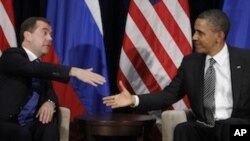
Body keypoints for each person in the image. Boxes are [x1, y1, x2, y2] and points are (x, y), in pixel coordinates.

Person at [103, 9, 250, 141]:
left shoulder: (245, 60)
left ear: (219, 36)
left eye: (200, 33)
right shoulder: (190, 63)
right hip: (207, 127)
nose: (194, 37)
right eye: (195, 31)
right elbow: (169, 95)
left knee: (228, 128)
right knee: (183, 129)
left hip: (240, 128)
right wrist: (134, 100)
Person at [0, 17, 106, 141]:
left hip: (30, 123)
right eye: (44, 33)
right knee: (21, 133)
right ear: (28, 35)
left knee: (48, 127)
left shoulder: (41, 66)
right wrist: (73, 71)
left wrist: (50, 102)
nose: (50, 38)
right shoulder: (11, 56)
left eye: (51, 34)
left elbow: (50, 93)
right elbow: (32, 69)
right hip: (6, 122)